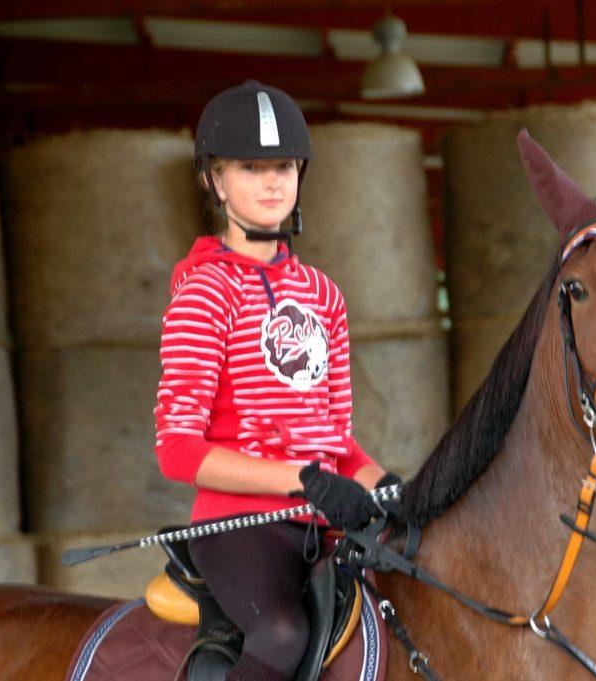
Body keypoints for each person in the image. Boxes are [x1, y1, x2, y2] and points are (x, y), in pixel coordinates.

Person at [153, 80, 396, 681]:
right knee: (281, 634)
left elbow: (336, 443)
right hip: (239, 529)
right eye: (251, 167)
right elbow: (178, 450)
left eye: (283, 166)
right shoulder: (204, 294)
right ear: (215, 180)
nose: (271, 183)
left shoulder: (325, 295)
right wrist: (304, 480)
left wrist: (388, 488)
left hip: (321, 525)